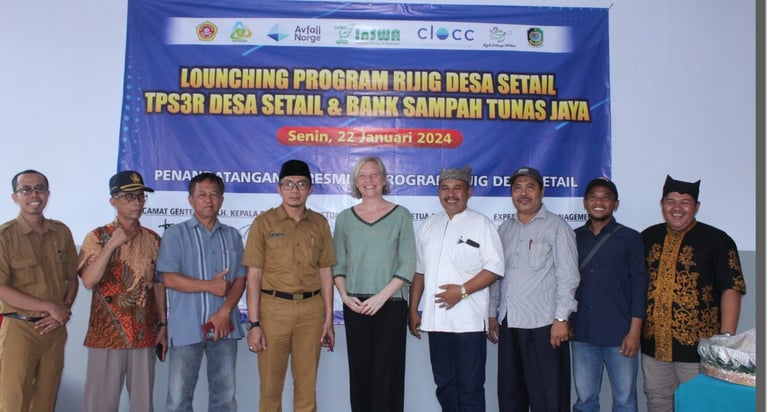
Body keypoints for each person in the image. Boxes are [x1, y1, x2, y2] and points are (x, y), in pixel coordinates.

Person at [640, 175, 746, 412]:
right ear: (662, 204)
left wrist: (725, 341)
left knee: (699, 404)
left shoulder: (718, 240)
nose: (677, 208)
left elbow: (732, 288)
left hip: (699, 350)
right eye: (671, 201)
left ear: (696, 206)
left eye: (685, 202)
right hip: (654, 347)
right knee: (657, 401)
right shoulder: (647, 237)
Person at [243, 159, 336, 412]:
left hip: (311, 311)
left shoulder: (319, 224)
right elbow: (254, 275)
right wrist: (254, 325)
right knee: (270, 388)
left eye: (301, 184)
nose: (295, 190)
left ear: (310, 189)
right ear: (279, 188)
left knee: (307, 389)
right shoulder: (264, 223)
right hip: (273, 311)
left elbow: (325, 271)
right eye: (288, 184)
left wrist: (328, 318)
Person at [409, 166, 504, 412]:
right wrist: (413, 309)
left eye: (457, 189)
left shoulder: (482, 225)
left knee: (470, 388)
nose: (450, 194)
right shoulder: (429, 225)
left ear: (468, 192)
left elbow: (494, 269)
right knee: (444, 386)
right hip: (436, 323)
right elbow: (420, 272)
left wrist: (461, 291)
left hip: (468, 324)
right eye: (445, 189)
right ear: (439, 192)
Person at [488, 166, 579, 412]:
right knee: (511, 396)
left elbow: (568, 276)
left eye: (530, 187)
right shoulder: (504, 229)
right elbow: (497, 275)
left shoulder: (557, 227)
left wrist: (561, 319)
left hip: (544, 327)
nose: (523, 193)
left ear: (542, 191)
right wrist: (492, 313)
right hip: (510, 324)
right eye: (517, 188)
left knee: (548, 399)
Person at [156, 172, 247, 412]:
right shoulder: (176, 234)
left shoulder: (232, 235)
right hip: (186, 328)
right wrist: (209, 285)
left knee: (224, 399)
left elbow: (241, 278)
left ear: (221, 200)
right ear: (191, 200)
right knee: (178, 399)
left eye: (214, 195)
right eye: (202, 195)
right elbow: (168, 279)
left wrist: (224, 312)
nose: (208, 200)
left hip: (225, 328)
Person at [77, 170, 166, 412]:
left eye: (140, 197)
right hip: (107, 334)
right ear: (113, 201)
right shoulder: (97, 237)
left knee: (143, 403)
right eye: (129, 197)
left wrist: (163, 325)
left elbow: (158, 284)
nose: (137, 203)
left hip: (144, 333)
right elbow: (89, 281)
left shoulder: (153, 239)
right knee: (100, 404)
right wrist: (111, 245)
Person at [333, 156, 416, 412]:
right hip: (355, 304)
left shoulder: (401, 215)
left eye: (374, 174)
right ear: (356, 182)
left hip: (391, 303)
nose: (368, 180)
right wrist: (344, 296)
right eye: (362, 175)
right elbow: (338, 263)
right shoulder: (345, 218)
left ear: (384, 180)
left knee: (388, 376)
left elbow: (408, 263)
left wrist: (381, 297)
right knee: (360, 375)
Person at [0, 169, 78, 412]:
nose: (34, 195)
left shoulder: (61, 232)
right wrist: (50, 307)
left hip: (54, 330)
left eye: (40, 189)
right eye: (26, 190)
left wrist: (63, 310)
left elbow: (72, 278)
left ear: (48, 194)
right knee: (13, 402)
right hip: (20, 330)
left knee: (45, 402)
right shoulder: (5, 236)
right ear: (15, 197)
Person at [571, 177, 648, 412]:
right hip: (583, 333)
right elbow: (564, 284)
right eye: (593, 197)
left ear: (616, 204)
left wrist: (634, 332)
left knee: (625, 402)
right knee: (585, 401)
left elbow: (639, 286)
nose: (599, 202)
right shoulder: (573, 237)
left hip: (620, 335)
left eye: (606, 198)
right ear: (585, 202)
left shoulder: (631, 238)